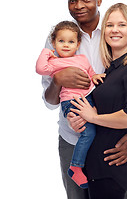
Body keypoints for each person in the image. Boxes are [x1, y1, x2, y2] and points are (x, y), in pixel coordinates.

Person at [42, 0, 127, 199]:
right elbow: (49, 101)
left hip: (111, 140)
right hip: (72, 138)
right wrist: (58, 80)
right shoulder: (59, 38)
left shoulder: (112, 34)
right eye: (72, 0)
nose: (78, 6)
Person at [69, 3, 127, 199]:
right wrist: (80, 118)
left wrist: (93, 117)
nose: (114, 30)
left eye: (122, 25)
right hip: (96, 167)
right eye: (109, 25)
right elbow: (108, 108)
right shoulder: (110, 71)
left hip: (111, 168)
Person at [36, 21, 105, 189]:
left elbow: (90, 72)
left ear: (77, 44)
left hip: (86, 99)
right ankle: (75, 166)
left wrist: (95, 76)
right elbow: (40, 68)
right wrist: (47, 52)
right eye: (61, 41)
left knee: (92, 130)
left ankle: (78, 165)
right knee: (88, 132)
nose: (66, 45)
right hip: (71, 103)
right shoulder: (54, 62)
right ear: (54, 43)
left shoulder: (82, 58)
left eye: (71, 42)